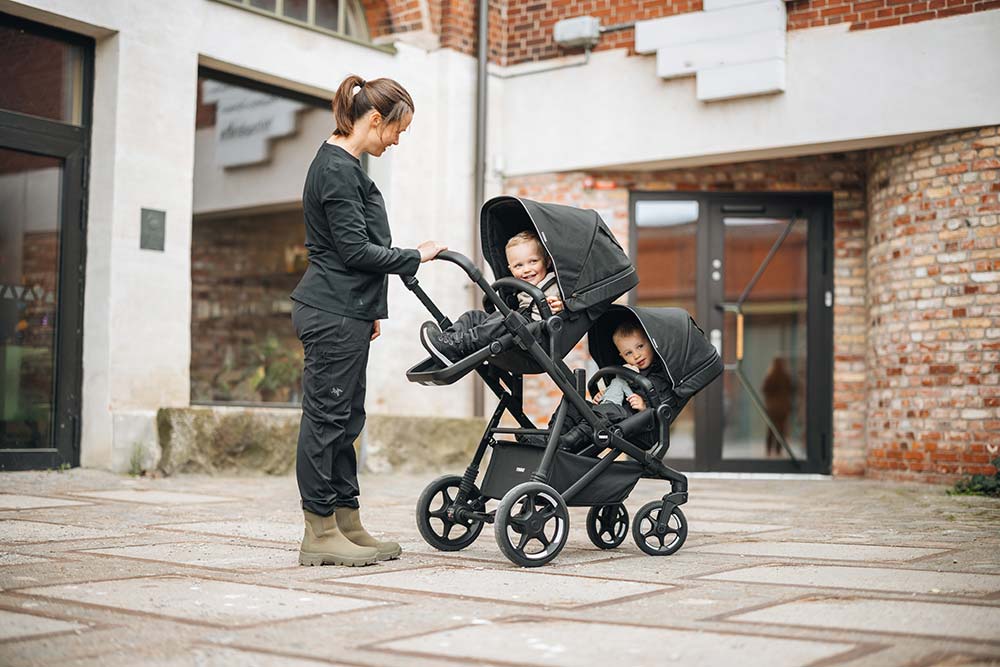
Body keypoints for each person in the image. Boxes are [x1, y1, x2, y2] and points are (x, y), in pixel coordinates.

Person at [290, 74, 446, 567]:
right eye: (398, 129)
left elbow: (347, 251)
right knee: (326, 420)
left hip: (348, 310)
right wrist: (414, 256)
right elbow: (354, 249)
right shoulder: (337, 168)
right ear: (375, 119)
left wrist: (369, 310)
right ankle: (318, 531)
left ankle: (346, 522)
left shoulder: (348, 164)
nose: (398, 140)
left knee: (347, 419)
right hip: (331, 309)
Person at [419, 231, 563, 365]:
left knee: (510, 319)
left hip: (537, 340)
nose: (526, 269)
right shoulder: (518, 288)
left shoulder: (554, 283)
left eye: (533, 261)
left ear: (547, 262)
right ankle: (449, 342)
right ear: (510, 269)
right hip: (518, 333)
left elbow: (567, 305)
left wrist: (560, 305)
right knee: (474, 316)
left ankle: (460, 346)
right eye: (518, 265)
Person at [556, 319, 671, 453]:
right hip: (616, 415)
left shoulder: (661, 375)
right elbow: (618, 390)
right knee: (573, 404)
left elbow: (662, 407)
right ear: (622, 356)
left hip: (640, 427)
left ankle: (569, 441)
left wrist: (644, 407)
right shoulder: (629, 372)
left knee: (607, 411)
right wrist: (604, 395)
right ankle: (552, 437)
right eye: (629, 353)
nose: (636, 355)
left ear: (651, 344)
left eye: (640, 346)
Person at [761, 356, 793, 457]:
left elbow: (764, 390)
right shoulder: (786, 377)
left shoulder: (770, 376)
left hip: (772, 408)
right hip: (783, 407)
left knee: (771, 429)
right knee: (781, 430)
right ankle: (778, 451)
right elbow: (791, 390)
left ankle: (769, 451)